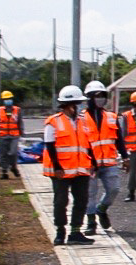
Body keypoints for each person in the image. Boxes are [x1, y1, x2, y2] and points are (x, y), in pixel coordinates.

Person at [43, 85, 94, 246]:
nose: (79, 107)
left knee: (81, 200)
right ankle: (60, 232)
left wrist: (93, 162)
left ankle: (75, 232)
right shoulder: (53, 122)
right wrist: (57, 167)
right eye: (77, 103)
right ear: (69, 104)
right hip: (61, 171)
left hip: (81, 169)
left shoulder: (82, 121)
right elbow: (50, 146)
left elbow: (87, 144)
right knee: (61, 201)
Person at [79, 80, 127, 236]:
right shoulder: (81, 119)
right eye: (96, 96)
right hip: (89, 164)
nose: (100, 99)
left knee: (114, 189)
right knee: (90, 193)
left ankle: (101, 209)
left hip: (109, 161)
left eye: (102, 96)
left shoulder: (112, 117)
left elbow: (119, 139)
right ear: (89, 98)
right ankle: (91, 221)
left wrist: (125, 157)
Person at [0, 90, 22, 179]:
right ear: (3, 100)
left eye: (9, 98)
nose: (8, 100)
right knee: (3, 154)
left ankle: (14, 167)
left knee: (13, 153)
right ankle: (4, 172)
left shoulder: (17, 110)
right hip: (2, 135)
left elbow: (20, 122)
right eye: (6, 99)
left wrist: (23, 134)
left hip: (14, 136)